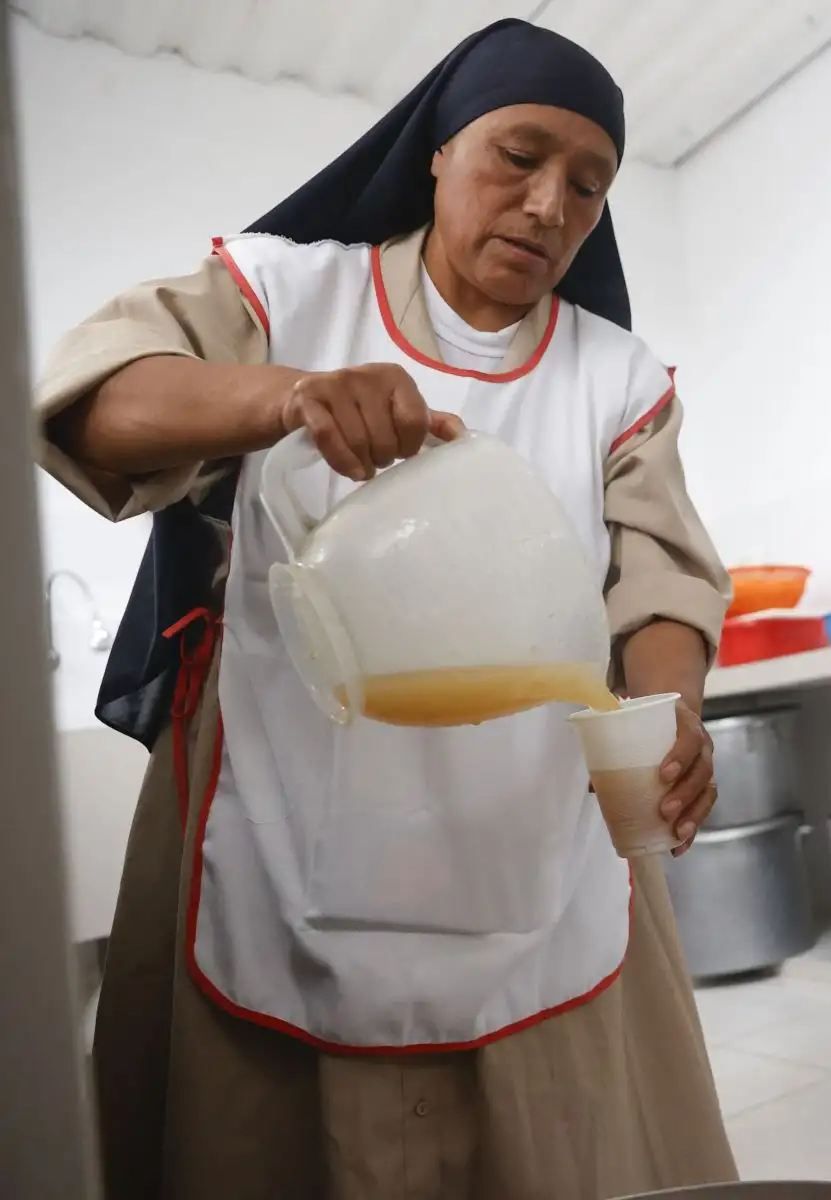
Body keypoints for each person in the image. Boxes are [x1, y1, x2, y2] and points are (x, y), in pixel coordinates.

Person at [33, 20, 738, 1200]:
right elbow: (97, 399)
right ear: (437, 149)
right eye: (518, 155)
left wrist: (668, 709)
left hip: (531, 838)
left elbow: (659, 576)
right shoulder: (289, 290)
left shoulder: (615, 376)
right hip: (286, 796)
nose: (550, 204)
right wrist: (285, 395)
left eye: (589, 184)